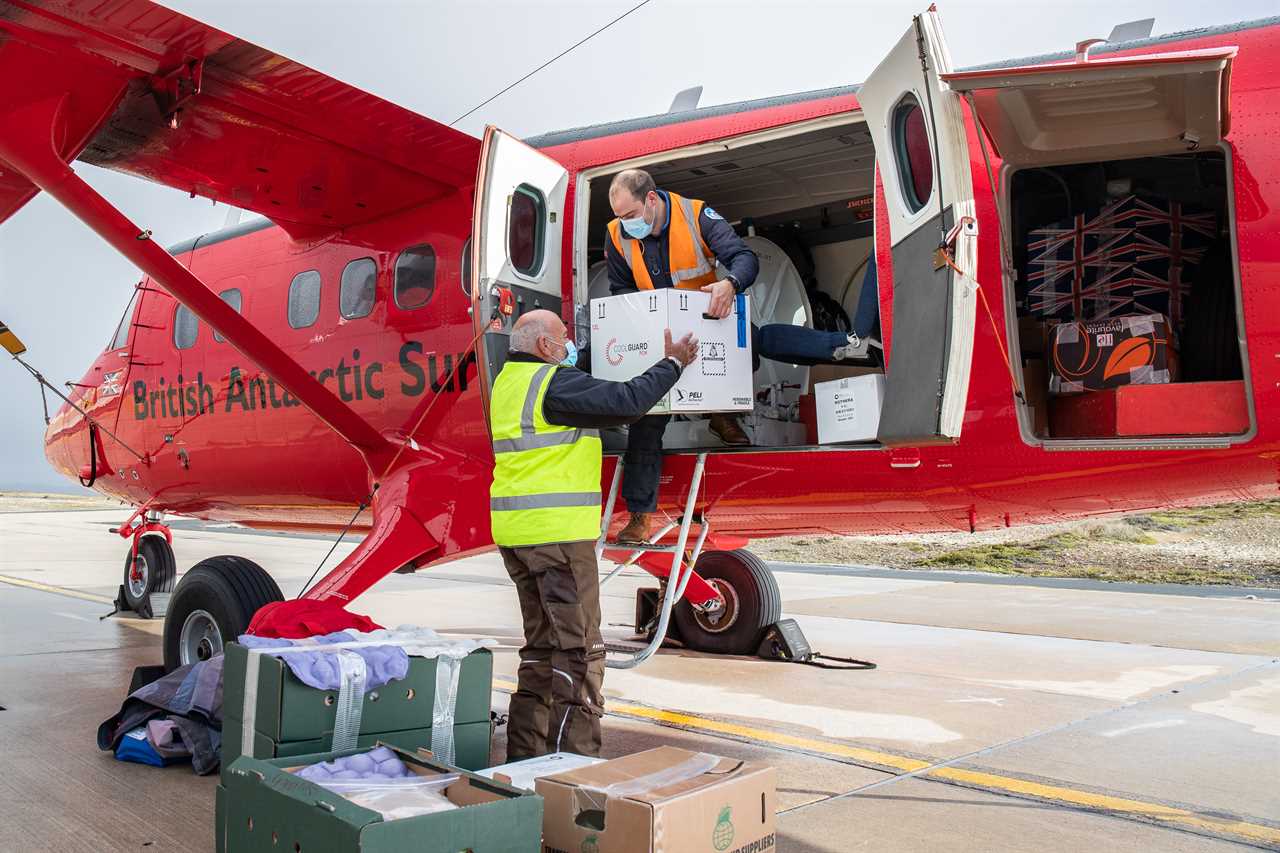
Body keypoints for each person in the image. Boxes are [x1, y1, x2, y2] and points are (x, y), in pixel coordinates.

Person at [489, 309, 698, 760]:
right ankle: (572, 768)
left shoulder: (507, 384)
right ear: (544, 346)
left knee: (541, 650)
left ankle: (526, 761)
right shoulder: (554, 385)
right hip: (558, 538)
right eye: (563, 339)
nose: (569, 347)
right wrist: (674, 363)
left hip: (518, 536)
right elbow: (627, 401)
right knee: (581, 654)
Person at [604, 169, 758, 544]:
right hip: (658, 332)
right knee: (645, 418)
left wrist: (729, 283)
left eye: (630, 215)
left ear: (652, 200)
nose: (625, 225)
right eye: (620, 217)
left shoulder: (696, 215)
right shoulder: (615, 235)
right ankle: (640, 516)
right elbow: (621, 288)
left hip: (706, 319)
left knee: (748, 347)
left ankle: (721, 414)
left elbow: (744, 258)